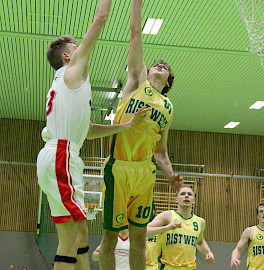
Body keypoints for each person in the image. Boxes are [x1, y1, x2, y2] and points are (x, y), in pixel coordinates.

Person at [37, 1, 150, 269]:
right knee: (69, 239)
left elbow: (86, 131)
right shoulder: (73, 73)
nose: (82, 51)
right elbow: (100, 17)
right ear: (67, 57)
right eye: (76, 49)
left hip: (61, 154)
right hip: (61, 155)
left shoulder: (67, 88)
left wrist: (126, 126)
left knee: (81, 233)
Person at [98, 0, 183, 269]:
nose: (158, 65)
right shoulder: (136, 81)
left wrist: (170, 174)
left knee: (139, 238)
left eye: (163, 66)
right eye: (155, 63)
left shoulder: (168, 108)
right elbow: (135, 34)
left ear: (168, 81)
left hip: (145, 173)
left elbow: (161, 151)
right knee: (110, 238)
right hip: (119, 168)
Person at [147, 186, 215, 269]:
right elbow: (144, 232)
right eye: (183, 194)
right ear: (176, 200)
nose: (186, 196)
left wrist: (208, 252)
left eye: (189, 194)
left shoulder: (200, 222)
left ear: (193, 201)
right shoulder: (167, 216)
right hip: (168, 267)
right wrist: (167, 228)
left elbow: (200, 242)